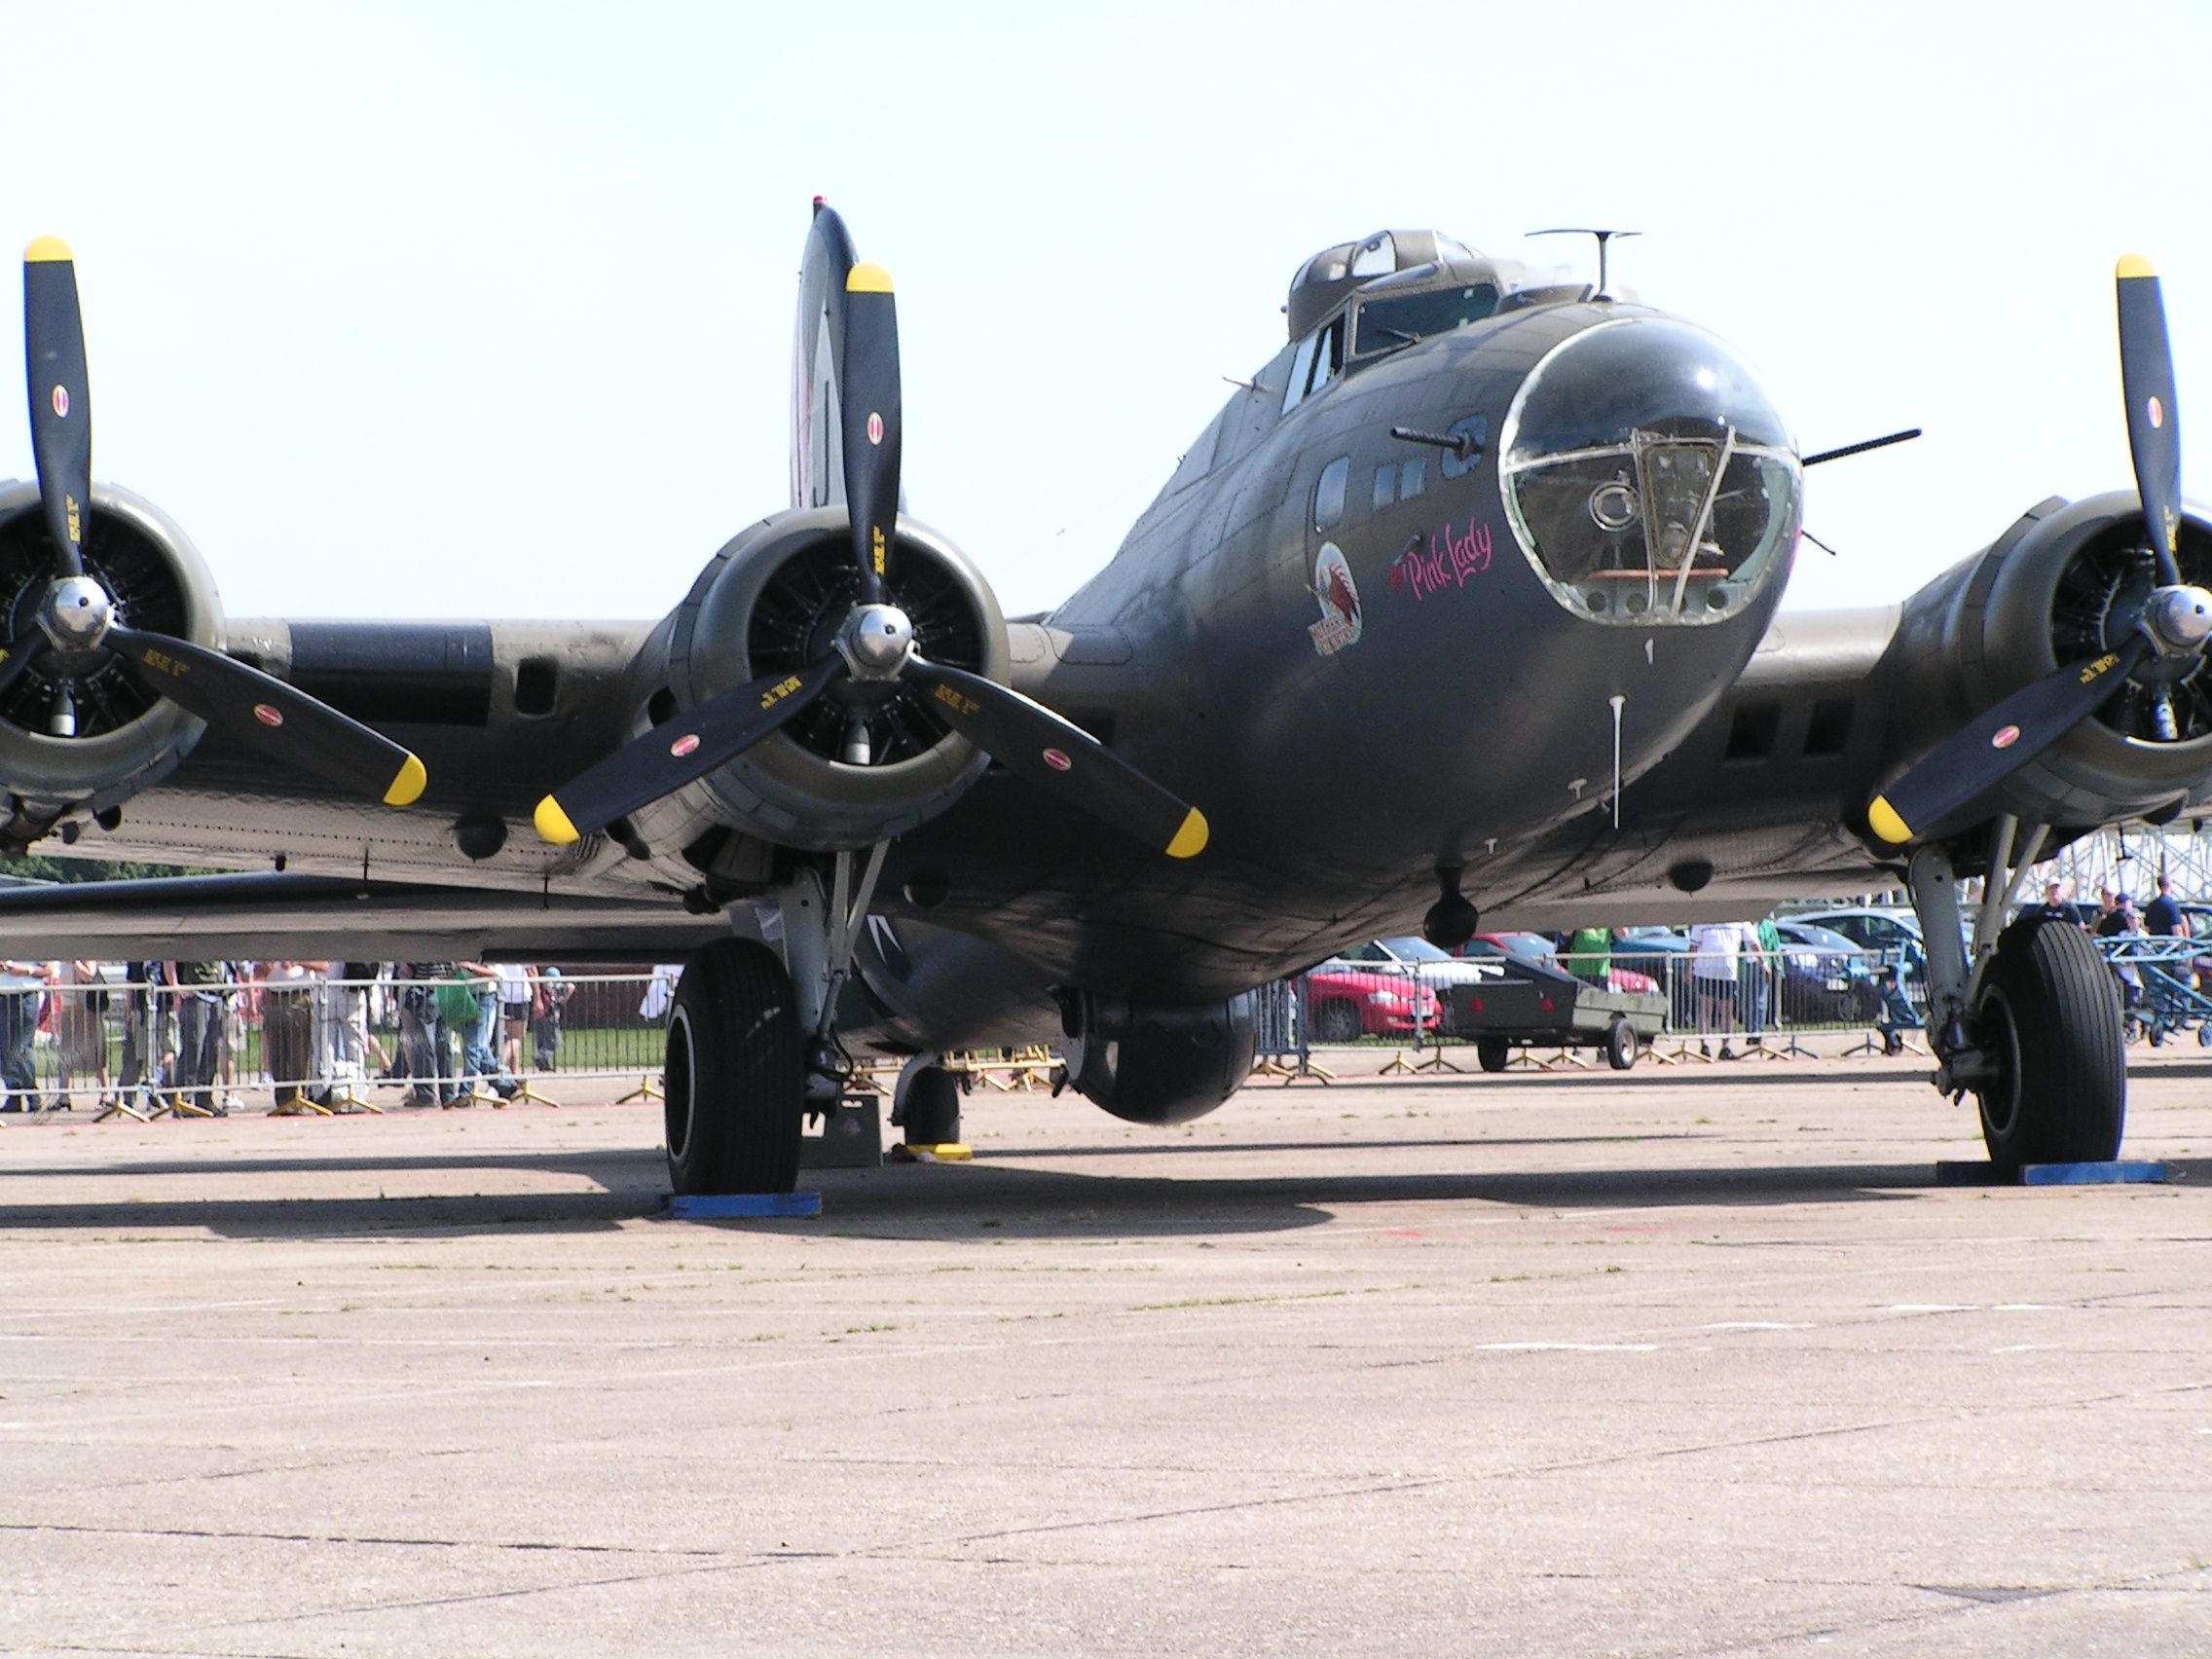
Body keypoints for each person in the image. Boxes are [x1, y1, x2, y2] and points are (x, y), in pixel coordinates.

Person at [171, 960, 230, 1116]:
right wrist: (175, 987)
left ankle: (204, 1099)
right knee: (193, 1048)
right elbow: (168, 959)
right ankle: (183, 1100)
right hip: (196, 995)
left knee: (212, 1050)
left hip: (217, 995)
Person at [53, 959, 111, 1112]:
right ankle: (64, 1096)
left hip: (85, 1007)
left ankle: (106, 1094)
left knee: (96, 1049)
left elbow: (88, 975)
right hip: (68, 1006)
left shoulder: (84, 953)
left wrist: (75, 962)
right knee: (65, 1052)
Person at [1688, 921, 1746, 1059]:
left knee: (1727, 1011)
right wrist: (1689, 968)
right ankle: (1704, 1044)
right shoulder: (1703, 919)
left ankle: (1725, 1047)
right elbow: (1693, 947)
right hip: (1705, 972)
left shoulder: (1739, 920)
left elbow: (1753, 941)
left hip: (1728, 973)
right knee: (1705, 1009)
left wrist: (1763, 962)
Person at [0, 959, 49, 1112]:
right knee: (4, 1049)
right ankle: (14, 1093)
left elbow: (49, 969)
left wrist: (26, 970)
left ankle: (32, 1093)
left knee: (20, 1049)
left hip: (26, 996)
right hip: (2, 997)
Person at [531, 967, 571, 1071]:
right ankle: (540, 1057)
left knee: (542, 1041)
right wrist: (565, 998)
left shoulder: (540, 985)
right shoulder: (555, 986)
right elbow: (571, 987)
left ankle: (544, 1065)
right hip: (550, 1016)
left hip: (539, 1015)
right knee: (554, 1042)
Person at [498, 961, 532, 1077]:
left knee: (511, 1038)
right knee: (516, 1039)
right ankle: (499, 1064)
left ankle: (514, 1075)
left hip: (502, 994)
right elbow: (532, 970)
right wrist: (538, 997)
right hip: (519, 996)